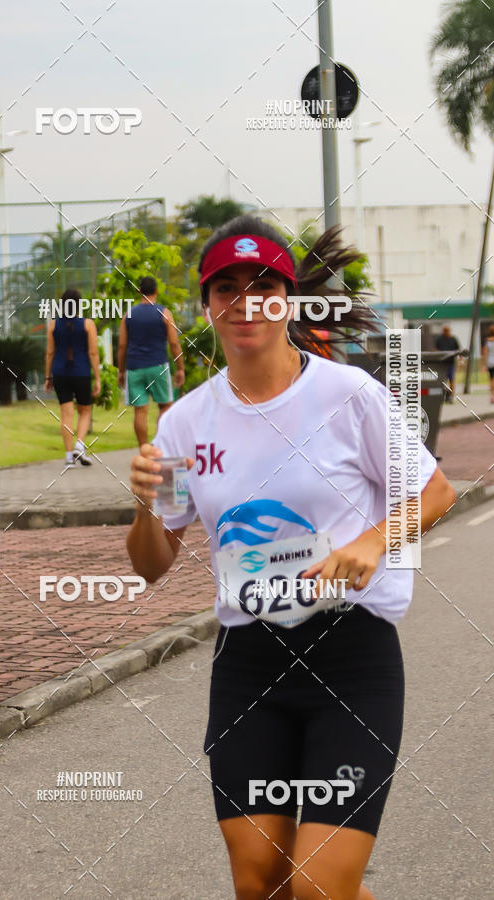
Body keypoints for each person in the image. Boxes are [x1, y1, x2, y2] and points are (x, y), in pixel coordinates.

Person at [126, 216, 456, 900]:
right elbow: (153, 564)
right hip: (249, 666)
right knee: (260, 880)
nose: (246, 302)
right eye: (228, 287)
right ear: (206, 302)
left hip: (352, 658)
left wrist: (371, 541)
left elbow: (435, 490)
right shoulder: (185, 423)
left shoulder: (348, 396)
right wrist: (142, 506)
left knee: (318, 884)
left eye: (264, 285)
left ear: (289, 299)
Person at [118, 276, 184, 446]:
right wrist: (180, 368)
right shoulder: (164, 313)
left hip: (134, 369)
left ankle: (144, 451)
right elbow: (174, 343)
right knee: (165, 407)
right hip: (158, 366)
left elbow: (122, 346)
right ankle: (159, 445)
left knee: (140, 411)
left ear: (139, 291)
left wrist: (121, 371)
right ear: (157, 291)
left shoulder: (128, 315)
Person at [45, 288, 101, 467]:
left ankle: (69, 456)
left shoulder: (53, 324)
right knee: (85, 411)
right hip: (81, 372)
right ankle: (79, 445)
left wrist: (48, 377)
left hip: (60, 373)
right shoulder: (88, 324)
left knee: (66, 414)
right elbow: (93, 352)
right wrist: (98, 378)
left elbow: (50, 352)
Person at [435, 325, 460, 402]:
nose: (446, 332)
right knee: (443, 380)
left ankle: (451, 395)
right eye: (445, 331)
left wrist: (460, 360)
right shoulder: (439, 339)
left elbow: (458, 349)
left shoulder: (453, 339)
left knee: (451, 379)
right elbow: (436, 349)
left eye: (447, 330)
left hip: (451, 362)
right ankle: (445, 395)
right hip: (442, 363)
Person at [481, 324, 494, 404]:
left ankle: (492, 396)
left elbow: (485, 354)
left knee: (491, 379)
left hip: (490, 362)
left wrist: (484, 365)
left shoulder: (487, 342)